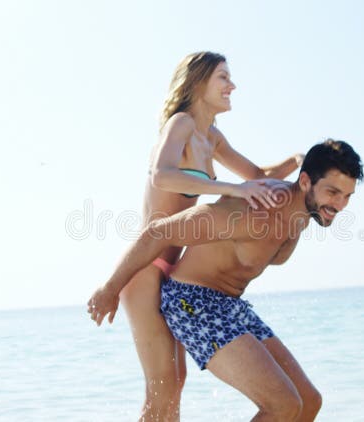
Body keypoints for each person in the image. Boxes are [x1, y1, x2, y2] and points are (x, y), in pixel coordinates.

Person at [89, 139, 364, 421]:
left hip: (229, 305)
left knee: (308, 401)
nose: (339, 205)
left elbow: (273, 256)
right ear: (305, 181)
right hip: (191, 302)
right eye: (333, 192)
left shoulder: (304, 213)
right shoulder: (250, 210)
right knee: (283, 405)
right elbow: (158, 232)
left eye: (347, 196)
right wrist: (109, 289)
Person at [118, 51, 304, 421]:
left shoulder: (211, 137)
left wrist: (299, 163)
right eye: (223, 77)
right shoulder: (182, 123)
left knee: (175, 384)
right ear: (199, 82)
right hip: (145, 269)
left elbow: (255, 174)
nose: (231, 85)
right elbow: (162, 175)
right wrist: (233, 190)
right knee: (163, 387)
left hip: (171, 271)